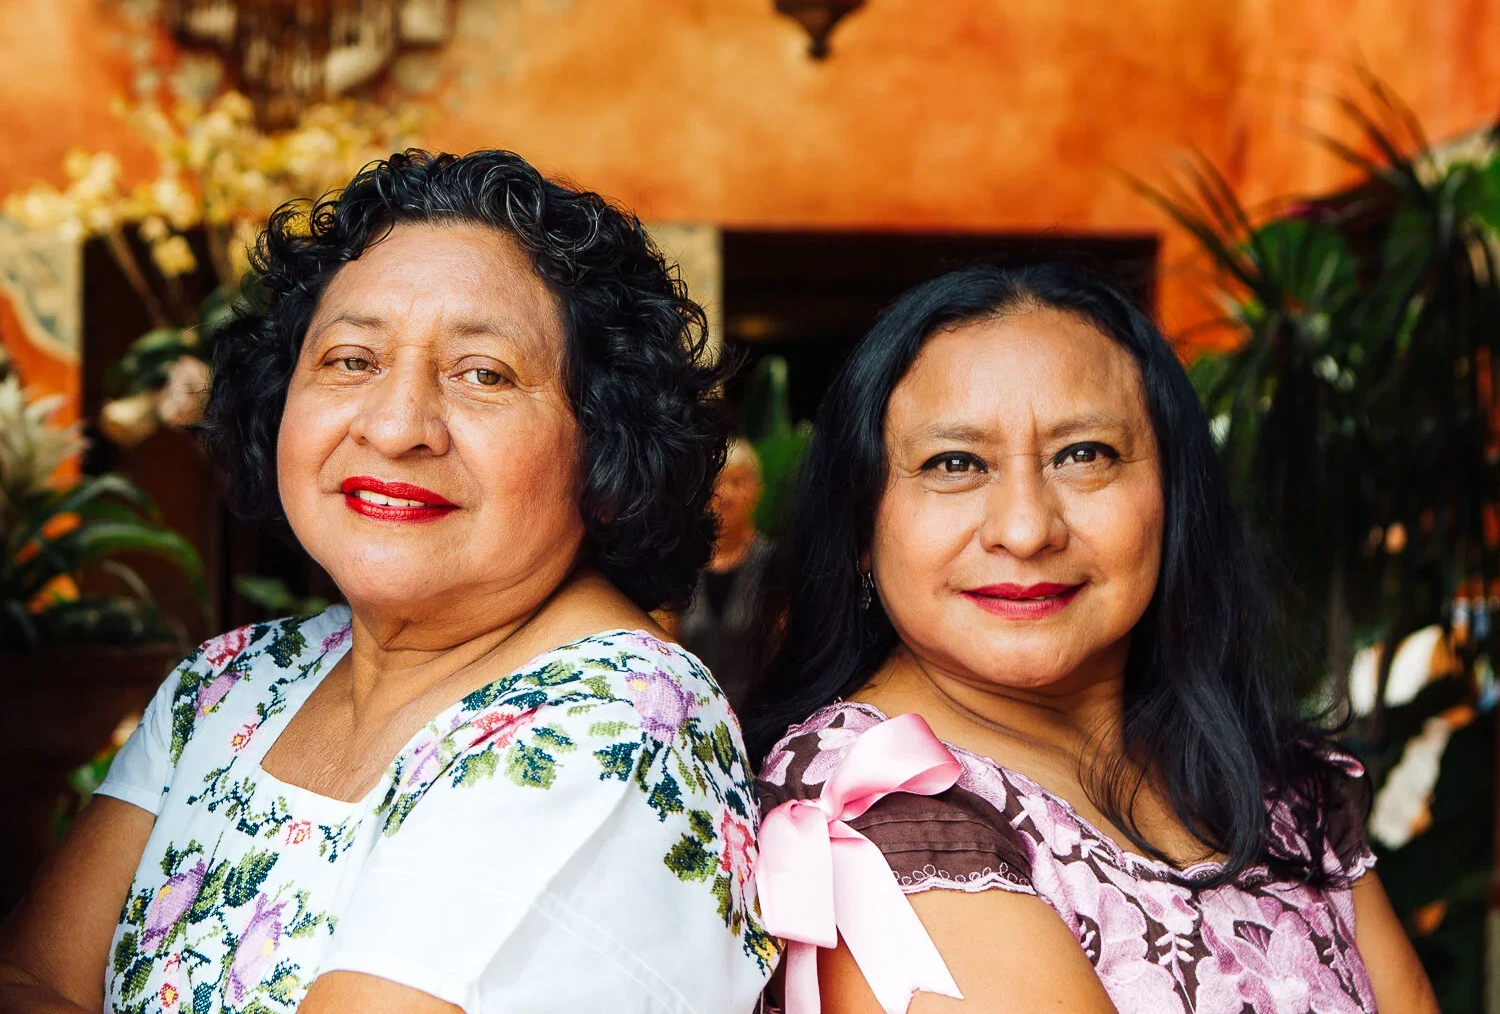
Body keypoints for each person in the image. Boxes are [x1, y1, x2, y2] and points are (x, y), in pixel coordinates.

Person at [0, 150, 775, 1013]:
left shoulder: (619, 720)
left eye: (483, 373)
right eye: (350, 360)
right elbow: (27, 976)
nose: (399, 425)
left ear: (605, 442)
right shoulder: (230, 684)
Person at [746, 265, 1438, 1014]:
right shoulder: (874, 806)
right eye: (955, 463)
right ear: (861, 527)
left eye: (1085, 454)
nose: (1026, 528)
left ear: (1174, 496)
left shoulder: (1257, 775)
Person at [676, 438, 774, 708]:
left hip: (759, 718)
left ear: (757, 490)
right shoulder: (684, 565)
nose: (725, 496)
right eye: (717, 483)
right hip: (696, 715)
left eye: (737, 482)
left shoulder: (774, 564)